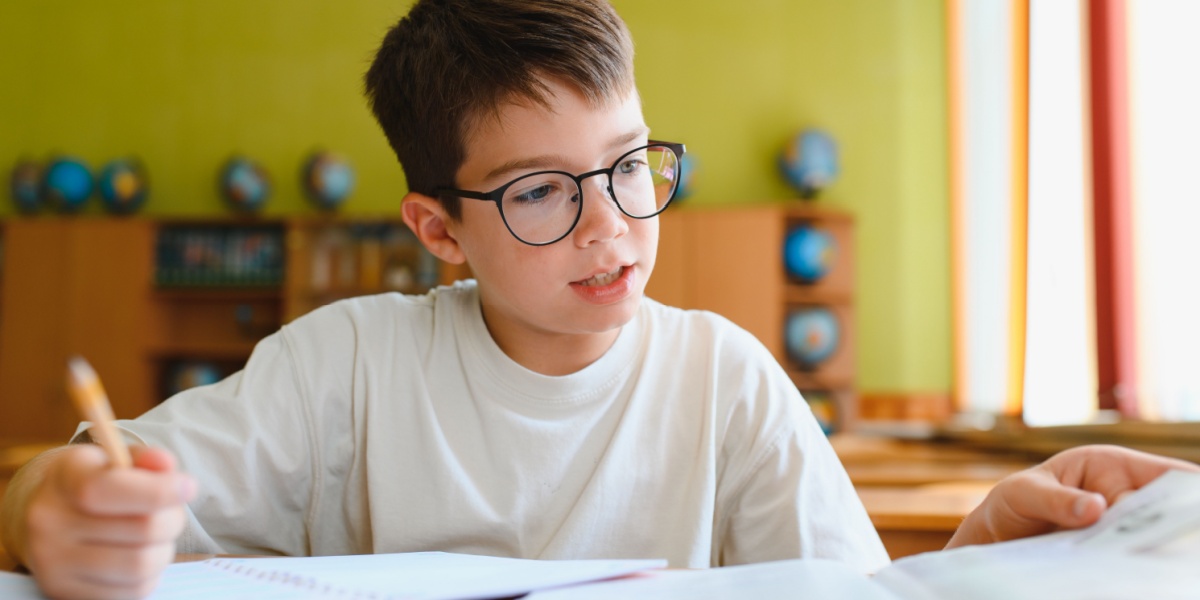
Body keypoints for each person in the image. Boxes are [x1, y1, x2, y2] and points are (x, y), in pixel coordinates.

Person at [2, 1, 1198, 598]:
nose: (611, 223)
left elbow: (847, 596)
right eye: (538, 191)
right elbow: (52, 490)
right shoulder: (346, 365)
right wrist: (54, 506)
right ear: (440, 231)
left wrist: (982, 547)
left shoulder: (722, 376)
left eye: (629, 164)